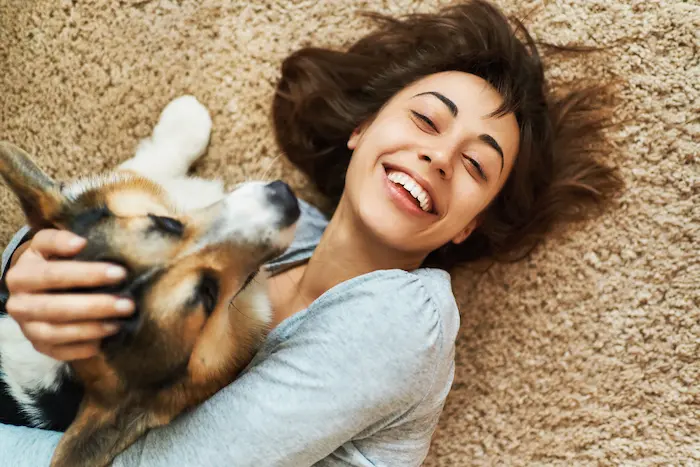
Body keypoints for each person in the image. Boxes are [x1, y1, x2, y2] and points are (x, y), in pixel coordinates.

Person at [0, 1, 623, 465]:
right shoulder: (282, 228)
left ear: (468, 227)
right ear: (362, 130)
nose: (438, 157)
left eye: (476, 165)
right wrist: (28, 259)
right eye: (427, 120)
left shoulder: (407, 324)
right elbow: (107, 238)